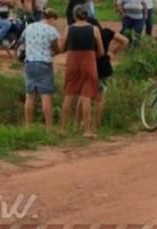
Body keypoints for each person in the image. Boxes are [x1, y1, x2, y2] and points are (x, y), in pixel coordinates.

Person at [59, 4, 104, 138]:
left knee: (69, 94)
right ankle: (87, 130)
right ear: (87, 15)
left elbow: (61, 48)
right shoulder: (94, 29)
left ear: (74, 16)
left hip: (72, 60)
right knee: (86, 96)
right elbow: (101, 51)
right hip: (89, 61)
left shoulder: (69, 28)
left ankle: (63, 129)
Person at [24, 8, 61, 130]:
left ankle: (28, 126)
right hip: (44, 63)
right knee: (45, 96)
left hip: (29, 63)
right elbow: (56, 48)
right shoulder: (51, 30)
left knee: (30, 96)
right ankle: (49, 127)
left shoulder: (29, 27)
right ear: (51, 18)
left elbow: (23, 42)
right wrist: (55, 52)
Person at [92, 20, 128, 132]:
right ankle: (96, 124)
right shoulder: (107, 32)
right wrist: (113, 52)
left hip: (90, 66)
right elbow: (125, 41)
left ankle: (81, 123)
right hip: (104, 67)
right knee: (100, 98)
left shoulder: (88, 35)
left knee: (85, 96)